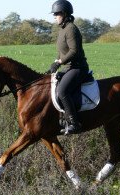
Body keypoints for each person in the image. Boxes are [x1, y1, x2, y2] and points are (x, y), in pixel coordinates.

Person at [48, 0, 89, 134]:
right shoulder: (62, 30)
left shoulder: (71, 28)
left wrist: (60, 62)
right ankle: (62, 119)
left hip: (78, 68)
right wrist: (55, 64)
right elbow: (62, 51)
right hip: (68, 68)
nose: (54, 16)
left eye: (57, 14)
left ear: (64, 14)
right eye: (54, 14)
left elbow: (74, 51)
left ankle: (74, 123)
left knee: (62, 91)